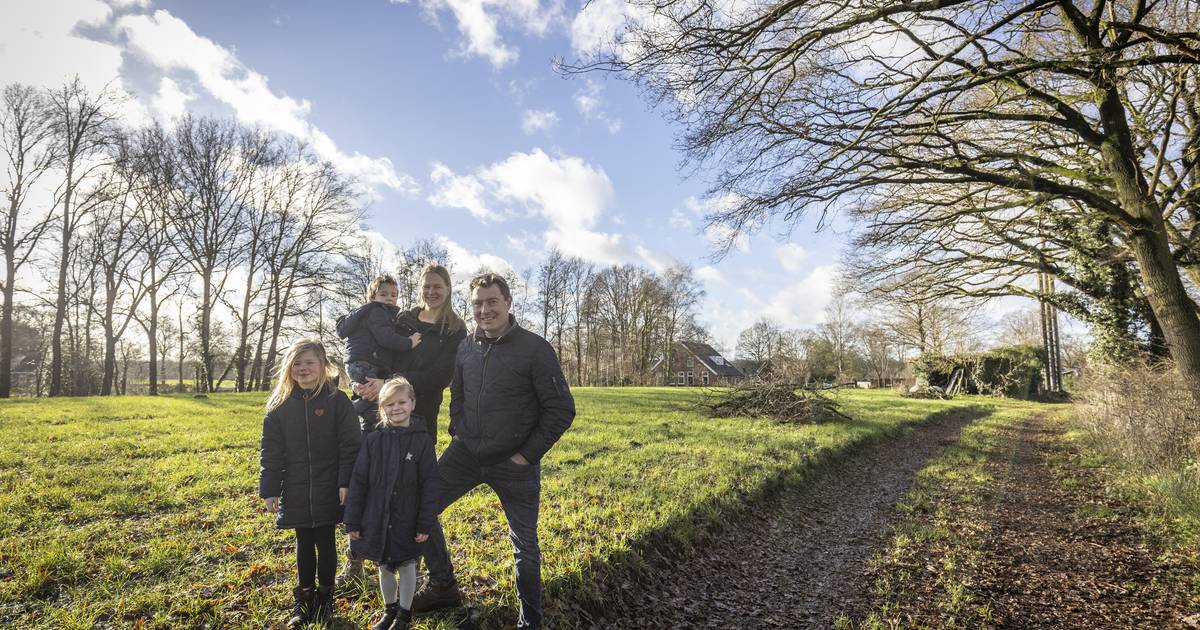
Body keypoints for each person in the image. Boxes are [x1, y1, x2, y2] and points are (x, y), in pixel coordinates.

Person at [412, 272, 576, 630]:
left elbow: (561, 409)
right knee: (417, 508)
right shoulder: (466, 346)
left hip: (515, 463)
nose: (484, 310)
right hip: (466, 454)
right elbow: (458, 392)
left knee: (525, 549)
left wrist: (526, 455)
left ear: (508, 303)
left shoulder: (535, 349)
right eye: (478, 303)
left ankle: (529, 622)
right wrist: (457, 430)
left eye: (492, 302)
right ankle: (442, 586)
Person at [338, 263, 467, 585]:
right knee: (365, 484)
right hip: (381, 411)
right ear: (420, 287)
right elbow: (376, 347)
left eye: (438, 286)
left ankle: (425, 573)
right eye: (426, 286)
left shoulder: (455, 329)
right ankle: (354, 562)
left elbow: (441, 376)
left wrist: (388, 384)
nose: (432, 292)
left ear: (448, 289)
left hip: (420, 417)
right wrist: (366, 381)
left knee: (415, 496)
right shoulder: (403, 318)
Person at [259, 339, 361, 628]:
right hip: (296, 487)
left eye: (309, 363)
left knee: (326, 541)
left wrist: (346, 481)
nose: (303, 368)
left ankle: (325, 598)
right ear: (289, 368)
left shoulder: (336, 400)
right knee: (303, 542)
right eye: (297, 363)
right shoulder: (279, 406)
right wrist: (269, 489)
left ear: (323, 366)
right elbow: (271, 451)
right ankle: (304, 600)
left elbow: (350, 445)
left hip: (331, 486)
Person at [344, 377, 440, 630]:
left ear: (413, 403)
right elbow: (359, 481)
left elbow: (430, 485)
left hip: (408, 517)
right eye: (389, 404)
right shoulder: (373, 441)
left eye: (401, 402)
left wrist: (425, 522)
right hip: (376, 516)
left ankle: (404, 615)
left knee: (407, 564)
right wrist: (352, 519)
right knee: (385, 565)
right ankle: (390, 611)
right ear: (381, 407)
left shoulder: (422, 441)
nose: (396, 408)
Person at [337, 273, 423, 431]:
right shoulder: (378, 312)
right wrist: (409, 342)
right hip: (364, 363)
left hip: (358, 363)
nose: (389, 298)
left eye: (393, 295)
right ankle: (348, 412)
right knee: (373, 400)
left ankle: (363, 422)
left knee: (367, 395)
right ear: (372, 297)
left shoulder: (373, 313)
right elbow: (386, 338)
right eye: (383, 294)